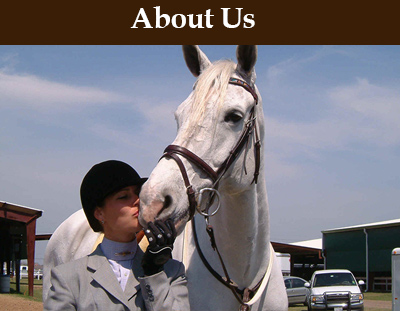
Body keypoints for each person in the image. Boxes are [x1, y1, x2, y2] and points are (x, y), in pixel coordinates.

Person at [44, 160, 189, 311]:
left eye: (138, 192)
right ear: (99, 213)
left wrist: (154, 273)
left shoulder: (173, 272)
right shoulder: (67, 277)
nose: (138, 201)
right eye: (124, 196)